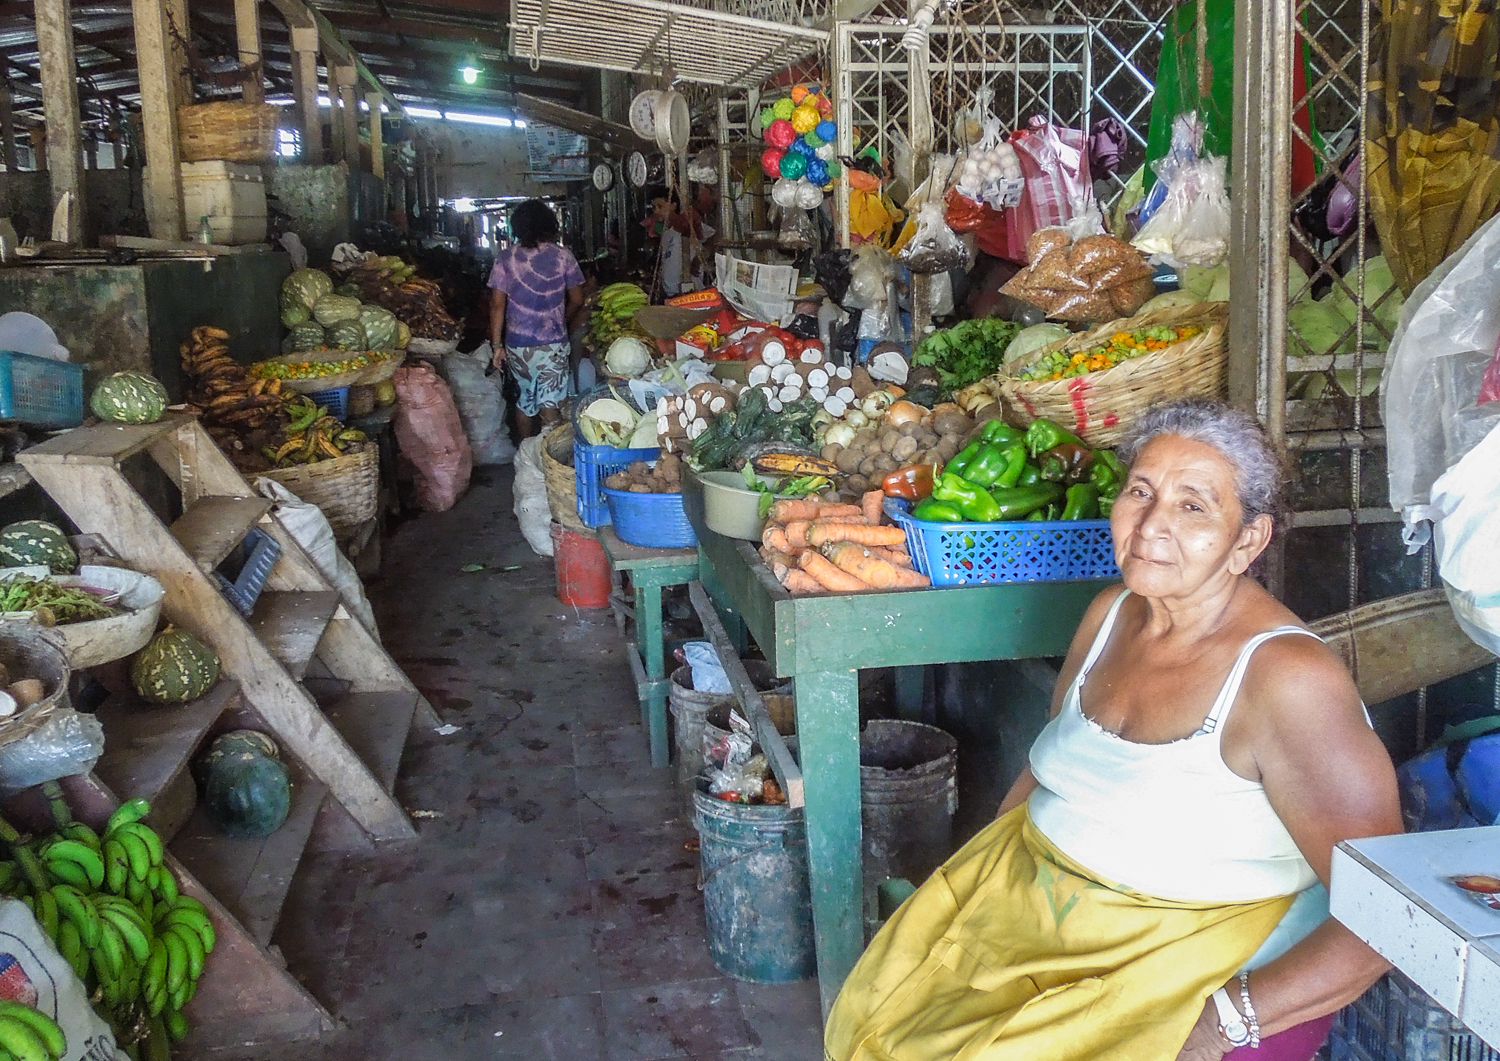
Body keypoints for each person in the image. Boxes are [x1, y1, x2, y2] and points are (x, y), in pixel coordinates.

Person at [825, 398, 1402, 1061]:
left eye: (1193, 506)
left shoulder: (1287, 680)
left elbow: (1388, 912)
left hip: (1160, 954)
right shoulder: (1111, 613)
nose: (1152, 525)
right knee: (876, 1021)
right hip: (1033, 918)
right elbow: (1048, 767)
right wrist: (970, 888)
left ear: (1248, 540)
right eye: (1140, 492)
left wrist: (1218, 1022)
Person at [489, 199, 584, 438]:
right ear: (549, 224)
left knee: (524, 402)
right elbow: (577, 299)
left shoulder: (505, 258)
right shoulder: (564, 256)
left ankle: (525, 451)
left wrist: (497, 345)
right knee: (550, 404)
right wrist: (561, 320)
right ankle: (548, 455)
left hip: (518, 345)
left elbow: (497, 305)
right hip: (554, 343)